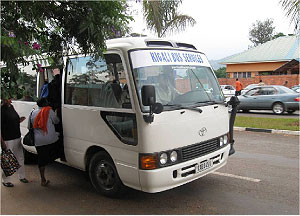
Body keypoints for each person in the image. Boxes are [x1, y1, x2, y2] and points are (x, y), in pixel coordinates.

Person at [30, 98, 60, 186]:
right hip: (50, 139)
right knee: (58, 145)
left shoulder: (33, 112)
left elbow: (30, 126)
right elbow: (57, 121)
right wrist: (56, 113)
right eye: (47, 102)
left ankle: (43, 179)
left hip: (38, 140)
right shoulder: (49, 111)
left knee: (41, 159)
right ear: (45, 103)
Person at [1, 95, 29, 187]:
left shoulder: (11, 107)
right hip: (7, 139)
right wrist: (2, 142)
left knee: (20, 157)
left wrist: (19, 120)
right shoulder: (1, 110)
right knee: (8, 159)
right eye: (8, 98)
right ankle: (6, 180)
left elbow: (12, 120)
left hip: (16, 136)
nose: (11, 100)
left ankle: (22, 176)